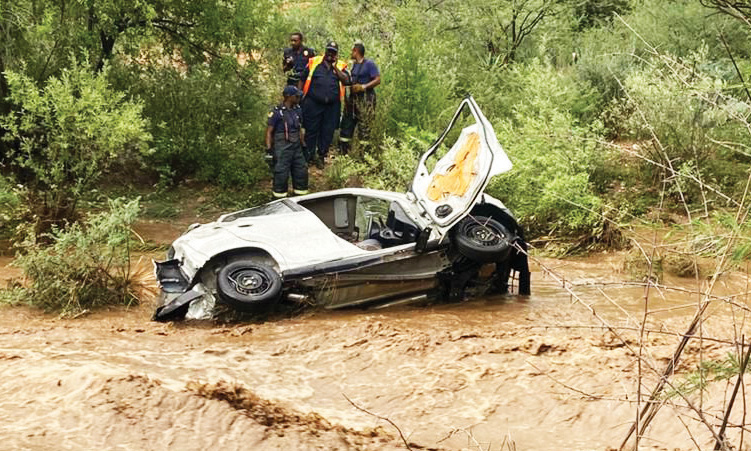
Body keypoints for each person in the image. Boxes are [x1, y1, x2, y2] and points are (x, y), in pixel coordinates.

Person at [298, 41, 349, 168]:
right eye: (329, 51)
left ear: (337, 54)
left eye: (333, 52)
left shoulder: (341, 66)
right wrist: (299, 96)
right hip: (313, 103)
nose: (330, 54)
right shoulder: (314, 62)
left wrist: (335, 67)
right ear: (325, 51)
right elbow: (302, 79)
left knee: (327, 132)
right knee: (311, 130)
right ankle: (308, 156)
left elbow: (347, 81)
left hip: (332, 106)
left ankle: (321, 156)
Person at [266, 85, 308, 198]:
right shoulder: (276, 112)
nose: (299, 97)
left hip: (296, 147)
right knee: (281, 174)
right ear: (288, 97)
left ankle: (300, 199)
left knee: (301, 172)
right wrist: (269, 150)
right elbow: (269, 132)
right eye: (296, 95)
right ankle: (279, 200)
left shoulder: (298, 110)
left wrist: (303, 145)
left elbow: (300, 129)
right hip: (282, 148)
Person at [339, 41, 380, 155]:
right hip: (352, 101)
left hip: (366, 101)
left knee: (365, 129)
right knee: (347, 125)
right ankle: (344, 154)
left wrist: (363, 87)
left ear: (356, 51)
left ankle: (364, 157)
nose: (351, 53)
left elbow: (377, 79)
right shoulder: (354, 65)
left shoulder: (369, 64)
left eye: (352, 50)